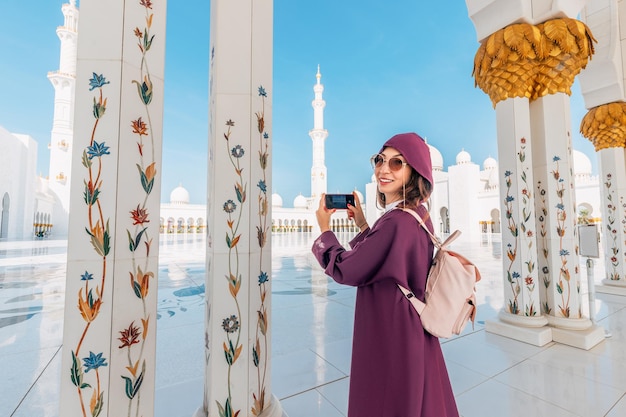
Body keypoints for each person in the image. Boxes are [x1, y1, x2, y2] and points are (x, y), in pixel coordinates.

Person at [311, 132, 459, 417]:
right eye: (380, 160)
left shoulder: (396, 221)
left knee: (387, 399)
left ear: (414, 172)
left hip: (391, 330)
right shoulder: (418, 213)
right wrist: (365, 225)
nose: (383, 169)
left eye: (396, 163)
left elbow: (347, 268)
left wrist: (325, 230)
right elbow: (389, 258)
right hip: (412, 325)